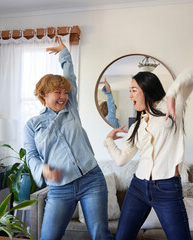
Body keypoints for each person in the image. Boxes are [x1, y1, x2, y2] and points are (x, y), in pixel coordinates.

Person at [24, 37, 113, 240]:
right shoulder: (32, 124)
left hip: (92, 180)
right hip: (60, 187)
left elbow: (70, 76)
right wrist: (42, 170)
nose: (63, 96)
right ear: (44, 94)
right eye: (58, 92)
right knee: (48, 237)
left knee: (101, 234)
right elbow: (31, 155)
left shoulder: (71, 109)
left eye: (65, 92)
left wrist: (65, 54)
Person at [104, 64, 193, 240]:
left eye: (134, 90)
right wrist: (109, 141)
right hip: (138, 188)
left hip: (167, 188)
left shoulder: (172, 108)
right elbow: (121, 159)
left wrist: (172, 93)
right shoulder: (136, 126)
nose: (130, 95)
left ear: (147, 88)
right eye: (129, 91)